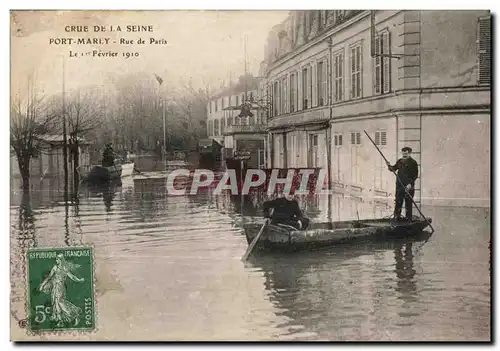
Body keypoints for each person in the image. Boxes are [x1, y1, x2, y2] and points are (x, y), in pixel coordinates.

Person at [386, 146, 419, 221]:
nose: (404, 155)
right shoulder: (400, 161)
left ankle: (408, 220)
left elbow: (415, 175)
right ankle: (396, 218)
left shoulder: (413, 163)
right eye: (403, 153)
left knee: (408, 203)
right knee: (398, 202)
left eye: (406, 154)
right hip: (399, 186)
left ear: (410, 153)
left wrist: (410, 184)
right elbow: (393, 169)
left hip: (409, 187)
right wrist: (388, 165)